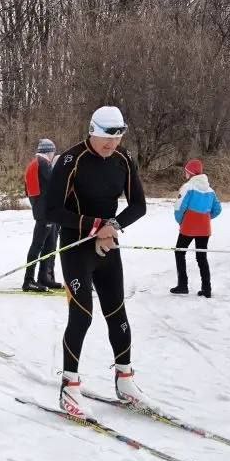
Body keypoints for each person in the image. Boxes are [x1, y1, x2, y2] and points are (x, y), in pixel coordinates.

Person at [44, 106, 149, 418]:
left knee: (117, 312)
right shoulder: (69, 160)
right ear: (92, 131)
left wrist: (112, 228)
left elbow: (139, 206)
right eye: (105, 137)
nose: (111, 144)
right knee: (82, 316)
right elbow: (50, 211)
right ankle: (69, 386)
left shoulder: (123, 160)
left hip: (107, 246)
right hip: (76, 247)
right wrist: (95, 226)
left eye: (117, 138)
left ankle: (125, 378)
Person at [171, 158, 222, 298]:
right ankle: (207, 289)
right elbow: (217, 209)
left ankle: (183, 285)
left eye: (186, 172)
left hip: (188, 226)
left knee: (179, 252)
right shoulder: (210, 190)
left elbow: (179, 208)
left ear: (191, 173)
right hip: (204, 229)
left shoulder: (188, 187)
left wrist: (181, 221)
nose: (185, 174)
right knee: (202, 257)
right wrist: (205, 219)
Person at [23, 138, 62, 292]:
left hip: (45, 212)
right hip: (45, 213)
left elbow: (28, 190)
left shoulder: (34, 163)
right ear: (49, 151)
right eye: (53, 152)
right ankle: (29, 280)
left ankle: (44, 277)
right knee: (38, 245)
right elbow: (56, 184)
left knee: (49, 245)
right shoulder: (43, 163)